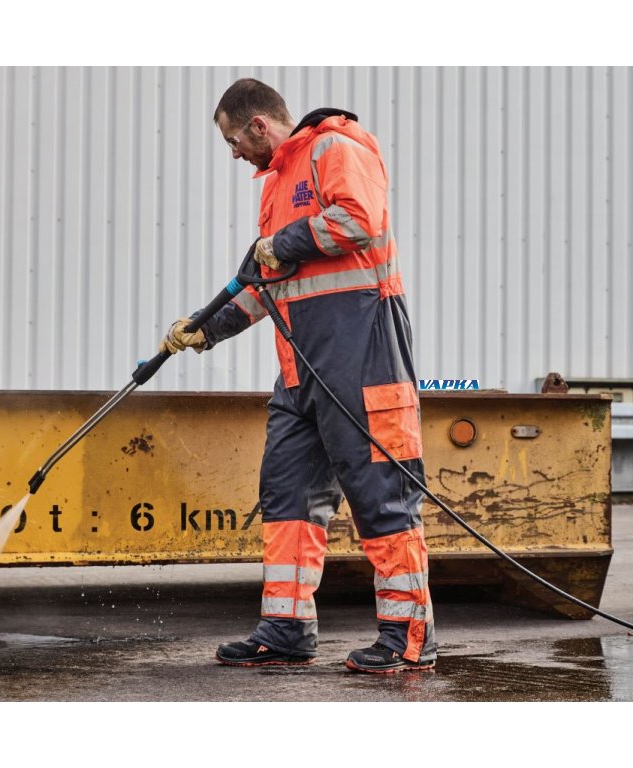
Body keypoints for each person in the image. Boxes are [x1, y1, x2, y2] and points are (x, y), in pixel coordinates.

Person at [161, 78, 436, 673]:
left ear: (258, 125)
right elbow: (269, 280)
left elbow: (360, 220)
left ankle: (408, 636)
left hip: (364, 355)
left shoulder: (336, 147)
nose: (235, 154)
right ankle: (285, 628)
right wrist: (208, 328)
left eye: (234, 141)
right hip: (301, 368)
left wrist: (283, 242)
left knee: (382, 496)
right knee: (286, 496)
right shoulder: (276, 183)